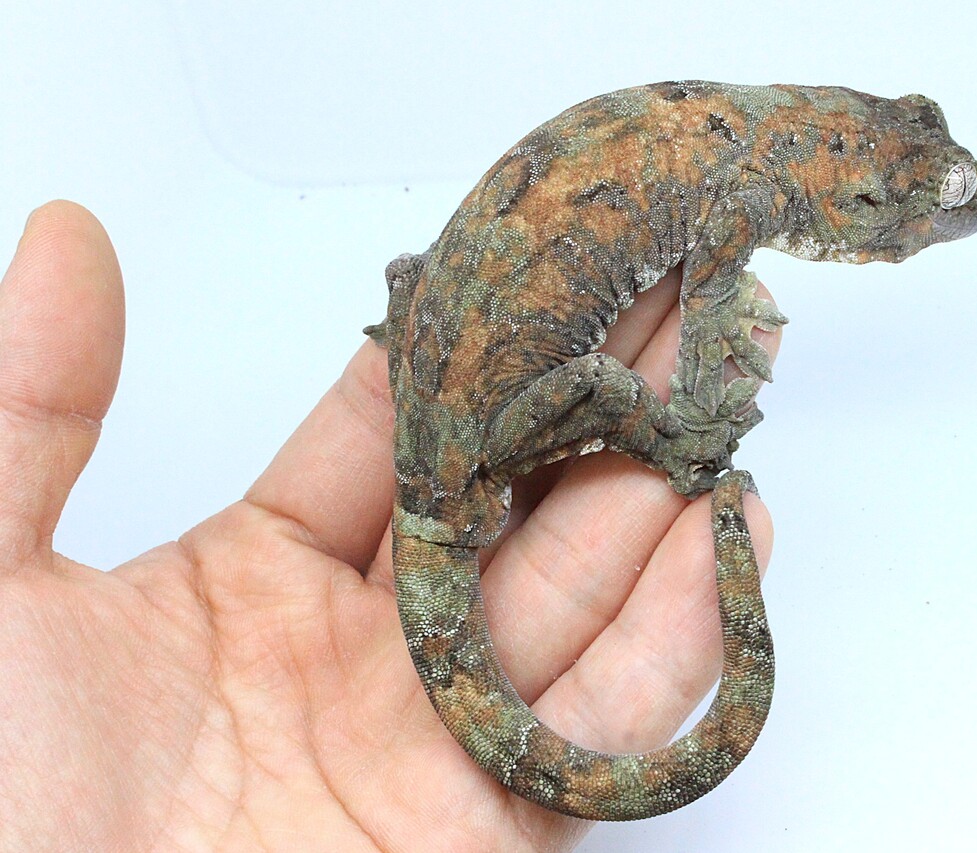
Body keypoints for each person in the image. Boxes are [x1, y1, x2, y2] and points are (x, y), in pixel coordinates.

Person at [0, 201, 777, 850]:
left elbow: (408, 275)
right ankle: (678, 444)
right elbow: (594, 377)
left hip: (457, 405)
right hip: (472, 428)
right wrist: (679, 441)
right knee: (606, 385)